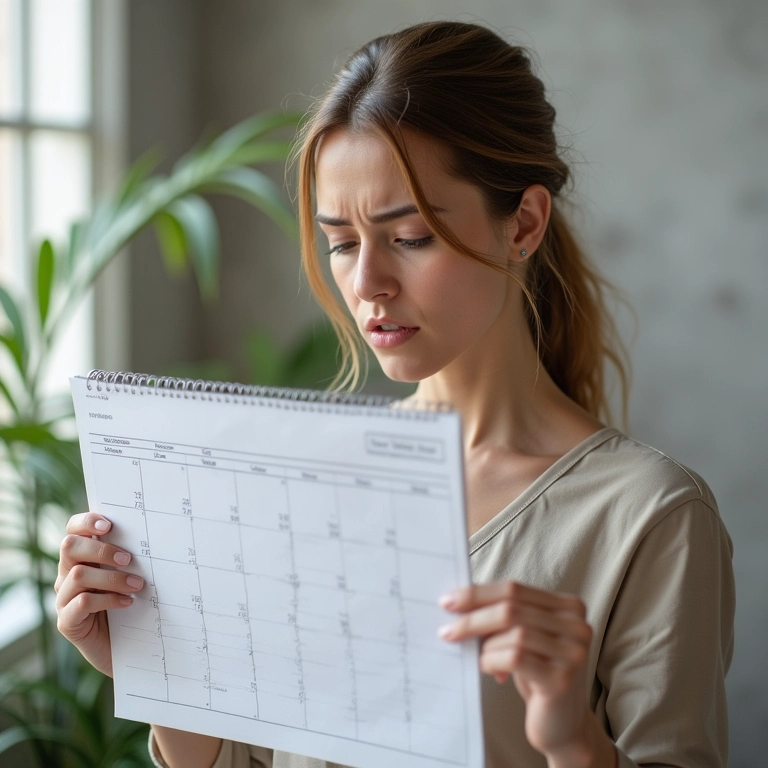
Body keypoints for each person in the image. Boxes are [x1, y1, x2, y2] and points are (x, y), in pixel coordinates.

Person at [55, 20, 735, 768]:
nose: (368, 284)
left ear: (525, 223)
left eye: (409, 236)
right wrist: (160, 668)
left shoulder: (648, 517)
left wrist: (570, 738)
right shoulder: (300, 484)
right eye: (342, 243)